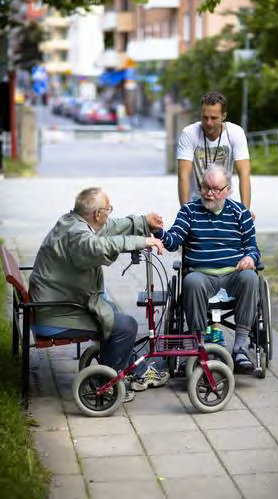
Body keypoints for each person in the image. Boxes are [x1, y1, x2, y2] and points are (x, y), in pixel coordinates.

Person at [29, 187, 170, 401]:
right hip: (56, 313)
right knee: (126, 326)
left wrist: (143, 221)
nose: (109, 215)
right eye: (108, 210)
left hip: (55, 303)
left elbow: (110, 228)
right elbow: (99, 246)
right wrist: (143, 241)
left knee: (111, 308)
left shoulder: (73, 222)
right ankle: (107, 385)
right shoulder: (78, 235)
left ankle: (132, 369)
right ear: (96, 214)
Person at [155, 166, 260, 373]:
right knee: (191, 281)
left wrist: (250, 257)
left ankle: (239, 348)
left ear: (228, 190)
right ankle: (197, 344)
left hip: (234, 275)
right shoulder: (189, 211)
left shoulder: (241, 212)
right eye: (205, 187)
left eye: (215, 189)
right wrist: (158, 232)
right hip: (201, 276)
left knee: (251, 278)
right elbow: (174, 241)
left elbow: (253, 247)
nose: (209, 193)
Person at [177, 90, 251, 209]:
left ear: (224, 116)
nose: (209, 123)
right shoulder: (189, 133)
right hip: (196, 201)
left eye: (214, 118)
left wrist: (245, 212)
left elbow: (244, 174)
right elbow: (183, 176)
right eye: (205, 117)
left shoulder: (236, 133)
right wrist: (185, 213)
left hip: (224, 201)